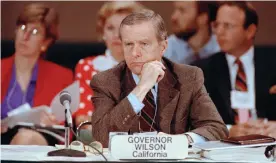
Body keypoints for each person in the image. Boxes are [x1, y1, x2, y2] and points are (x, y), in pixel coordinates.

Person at [90, 9, 228, 148]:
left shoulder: (188, 77)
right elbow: (101, 136)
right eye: (129, 44)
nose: (135, 53)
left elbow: (216, 128)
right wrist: (141, 88)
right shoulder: (105, 81)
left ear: (163, 46)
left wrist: (182, 140)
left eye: (144, 44)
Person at [193, 2, 276, 138]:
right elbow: (194, 120)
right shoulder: (202, 70)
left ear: (250, 31)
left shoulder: (272, 61)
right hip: (227, 148)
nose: (219, 32)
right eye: (216, 25)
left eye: (227, 26)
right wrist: (227, 130)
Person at [1, 3, 73, 145]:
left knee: (26, 138)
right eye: (22, 28)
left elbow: (66, 128)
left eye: (34, 32)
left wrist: (53, 122)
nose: (25, 36)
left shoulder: (62, 76)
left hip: (37, 139)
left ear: (45, 42)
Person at [74, 1, 145, 127]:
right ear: (102, 33)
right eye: (110, 28)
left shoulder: (151, 68)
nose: (116, 35)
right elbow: (83, 121)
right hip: (98, 141)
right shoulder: (87, 66)